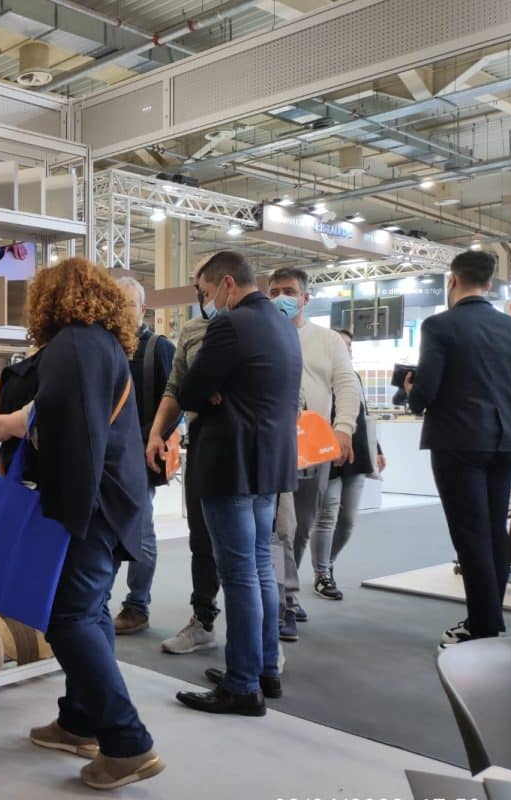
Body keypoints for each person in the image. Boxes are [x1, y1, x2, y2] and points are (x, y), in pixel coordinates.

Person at [0, 257, 162, 791]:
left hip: (92, 506)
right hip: (110, 501)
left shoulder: (74, 346)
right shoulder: (95, 344)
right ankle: (80, 722)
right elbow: (54, 414)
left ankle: (127, 743)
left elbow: (67, 431)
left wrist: (65, 519)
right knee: (89, 610)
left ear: (50, 301)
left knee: (67, 616)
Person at [174, 251, 301, 717]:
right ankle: (263, 668)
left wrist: (209, 390)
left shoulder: (230, 325)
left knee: (240, 573)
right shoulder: (283, 327)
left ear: (228, 284)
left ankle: (242, 684)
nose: (207, 302)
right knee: (261, 567)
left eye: (207, 292)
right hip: (269, 464)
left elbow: (189, 390)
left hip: (230, 463)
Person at [405, 250, 511, 646]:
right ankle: (490, 618)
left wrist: (411, 392)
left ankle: (483, 624)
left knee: (470, 534)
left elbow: (426, 391)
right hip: (506, 442)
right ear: (489, 283)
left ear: (452, 281)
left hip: (458, 441)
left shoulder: (439, 325)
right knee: (494, 530)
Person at [267, 267, 359, 643]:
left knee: (302, 525)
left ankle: (287, 589)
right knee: (281, 528)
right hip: (273, 447)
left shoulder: (328, 340)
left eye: (289, 291)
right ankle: (284, 601)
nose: (281, 298)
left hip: (313, 448)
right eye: (274, 291)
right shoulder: (262, 335)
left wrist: (344, 428)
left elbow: (347, 385)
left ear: (306, 298)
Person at [152, 267, 220, 655]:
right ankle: (203, 619)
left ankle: (266, 632)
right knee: (202, 540)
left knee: (257, 550)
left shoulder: (259, 328)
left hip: (251, 454)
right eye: (198, 290)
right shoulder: (193, 331)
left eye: (206, 289)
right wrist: (157, 432)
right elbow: (177, 388)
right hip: (202, 448)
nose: (203, 297)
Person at [112, 276, 176, 636]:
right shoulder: (106, 347)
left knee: (142, 531)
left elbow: (175, 401)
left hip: (140, 457)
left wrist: (155, 438)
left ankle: (137, 604)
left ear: (143, 309)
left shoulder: (158, 349)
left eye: (129, 305)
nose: (122, 312)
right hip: (106, 458)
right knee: (105, 529)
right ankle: (98, 598)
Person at [308, 329, 387, 600]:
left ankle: (328, 562)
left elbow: (362, 414)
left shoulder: (354, 377)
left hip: (357, 452)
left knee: (349, 519)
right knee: (327, 514)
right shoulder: (317, 375)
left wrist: (376, 449)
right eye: (342, 345)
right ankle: (322, 573)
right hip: (327, 451)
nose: (347, 350)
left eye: (349, 346)